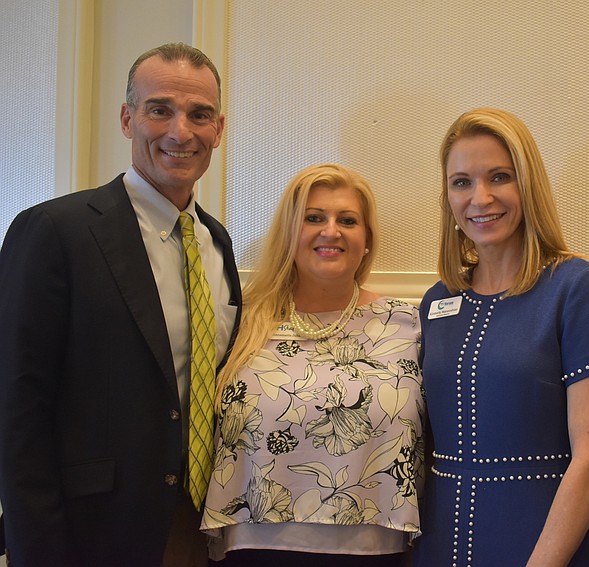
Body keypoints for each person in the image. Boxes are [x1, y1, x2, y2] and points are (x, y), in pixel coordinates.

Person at [0, 43, 240, 566]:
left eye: (199, 114)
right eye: (160, 109)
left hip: (200, 527)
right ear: (128, 119)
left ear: (218, 129)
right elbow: (17, 411)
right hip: (89, 534)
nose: (180, 132)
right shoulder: (54, 232)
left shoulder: (217, 243)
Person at [413, 108, 589, 566]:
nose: (481, 197)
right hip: (438, 544)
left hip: (542, 546)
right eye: (462, 182)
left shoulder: (576, 287)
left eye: (499, 177)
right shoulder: (437, 301)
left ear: (528, 185)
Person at [201, 163, 424, 566]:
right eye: (314, 218)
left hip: (375, 549)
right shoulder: (241, 321)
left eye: (348, 220)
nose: (331, 231)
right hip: (253, 547)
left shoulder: (406, 326)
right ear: (290, 232)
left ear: (367, 240)